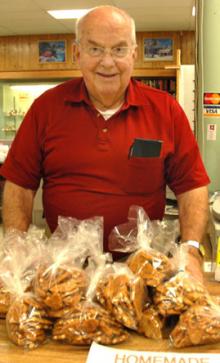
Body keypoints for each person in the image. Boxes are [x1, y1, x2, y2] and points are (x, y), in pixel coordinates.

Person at [0, 5, 210, 282]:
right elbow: (20, 185)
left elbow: (192, 186)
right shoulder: (45, 109)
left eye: (119, 49)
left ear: (134, 53)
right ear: (77, 53)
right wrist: (15, 248)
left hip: (143, 269)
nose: (107, 62)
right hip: (64, 269)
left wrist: (191, 250)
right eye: (95, 49)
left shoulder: (166, 110)